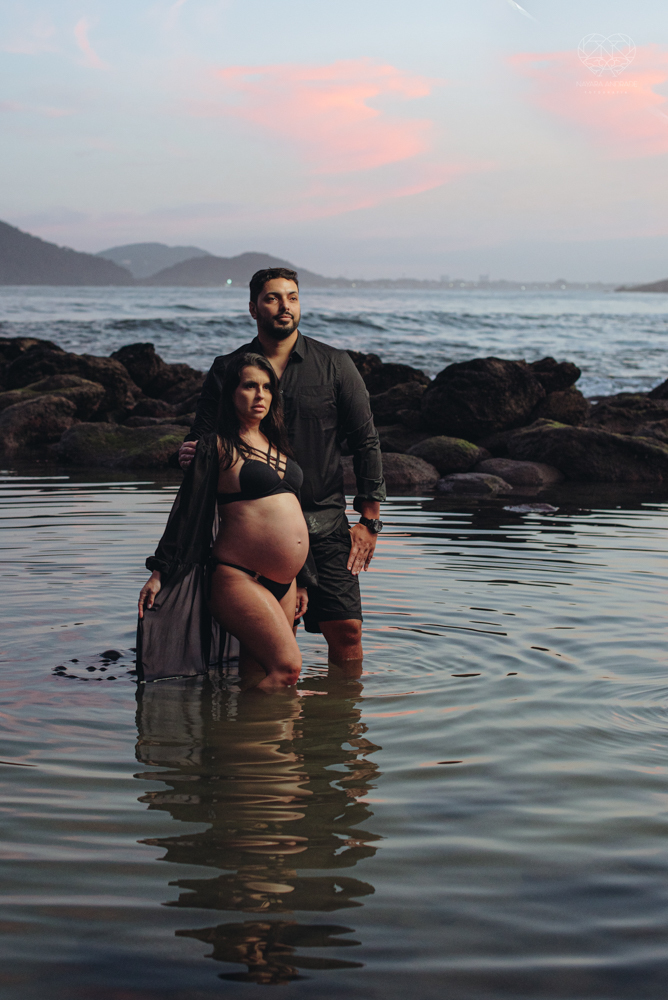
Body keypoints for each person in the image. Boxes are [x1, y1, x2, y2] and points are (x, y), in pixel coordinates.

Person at [178, 267, 385, 672]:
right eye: (272, 298)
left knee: (346, 628)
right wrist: (187, 455)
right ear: (253, 307)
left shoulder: (335, 365)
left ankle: (337, 722)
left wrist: (370, 519)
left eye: (292, 297)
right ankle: (272, 728)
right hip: (258, 529)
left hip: (325, 522)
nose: (284, 306)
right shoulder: (228, 369)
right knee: (273, 640)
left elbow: (366, 439)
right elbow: (202, 441)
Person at [138, 352, 314, 691]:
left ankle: (251, 742)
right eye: (250, 386)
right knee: (287, 669)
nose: (260, 395)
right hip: (239, 578)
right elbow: (188, 513)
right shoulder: (216, 446)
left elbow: (297, 515)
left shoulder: (278, 445)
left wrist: (303, 578)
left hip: (286, 583)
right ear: (232, 392)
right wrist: (160, 572)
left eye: (266, 387)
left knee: (257, 674)